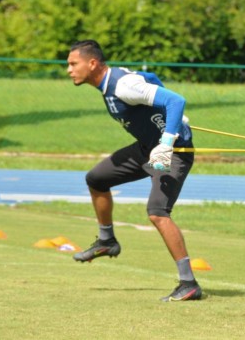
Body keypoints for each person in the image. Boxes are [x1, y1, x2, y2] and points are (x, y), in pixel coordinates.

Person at [66, 39, 202, 302]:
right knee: (96, 179)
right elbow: (149, 77)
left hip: (173, 153)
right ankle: (107, 241)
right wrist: (161, 117)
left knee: (157, 213)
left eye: (73, 64)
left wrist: (168, 138)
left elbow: (176, 100)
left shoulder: (124, 86)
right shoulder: (114, 82)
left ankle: (189, 283)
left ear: (92, 63)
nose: (69, 70)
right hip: (146, 148)